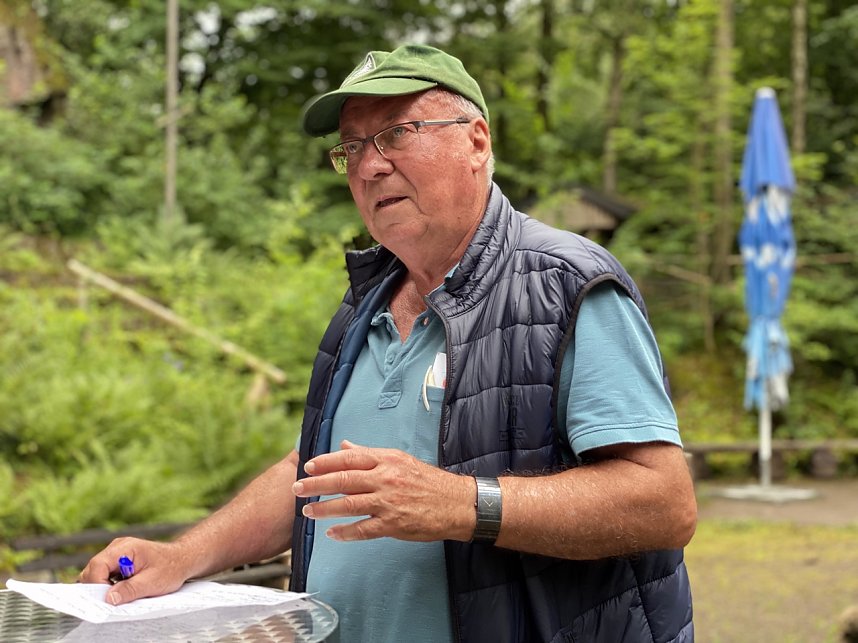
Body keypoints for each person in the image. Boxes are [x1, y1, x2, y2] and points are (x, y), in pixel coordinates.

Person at [81, 44, 697, 642]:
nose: (370, 165)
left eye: (397, 134)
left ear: (476, 141)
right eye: (352, 146)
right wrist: (184, 554)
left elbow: (663, 502)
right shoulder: (363, 304)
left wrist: (462, 503)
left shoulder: (564, 283)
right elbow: (317, 476)